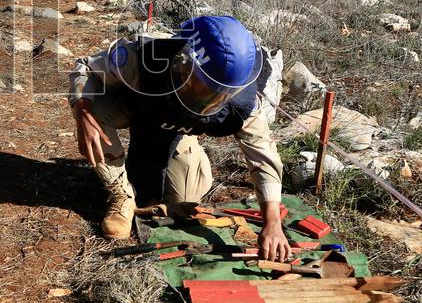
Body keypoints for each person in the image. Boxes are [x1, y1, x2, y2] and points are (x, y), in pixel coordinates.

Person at [68, 15, 291, 261]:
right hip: (133, 106)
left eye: (220, 94)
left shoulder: (241, 100)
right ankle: (121, 195)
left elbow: (262, 154)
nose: (211, 99)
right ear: (184, 61)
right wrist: (82, 109)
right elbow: (86, 68)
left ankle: (178, 159)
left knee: (185, 200)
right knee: (93, 112)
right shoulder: (146, 56)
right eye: (204, 86)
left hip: (177, 128)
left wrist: (272, 222)